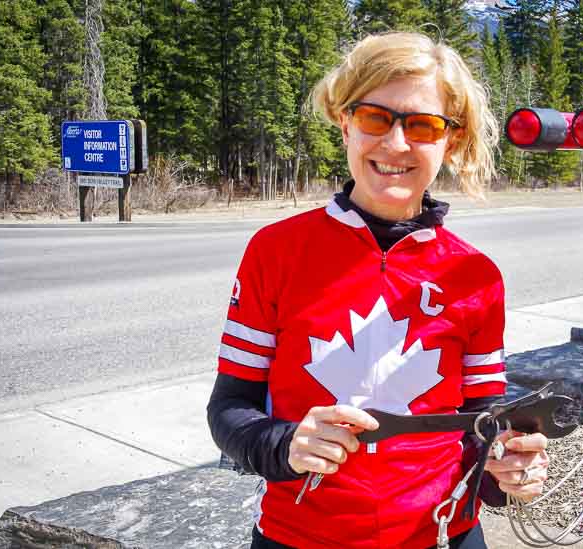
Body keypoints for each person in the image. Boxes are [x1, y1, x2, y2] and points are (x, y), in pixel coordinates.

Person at [207, 31, 550, 549]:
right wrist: (286, 444)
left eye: (423, 125)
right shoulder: (276, 251)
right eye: (374, 118)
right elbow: (230, 408)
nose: (395, 144)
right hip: (298, 536)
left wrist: (509, 470)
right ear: (345, 122)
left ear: (449, 141)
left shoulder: (476, 275)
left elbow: (484, 419)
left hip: (444, 536)